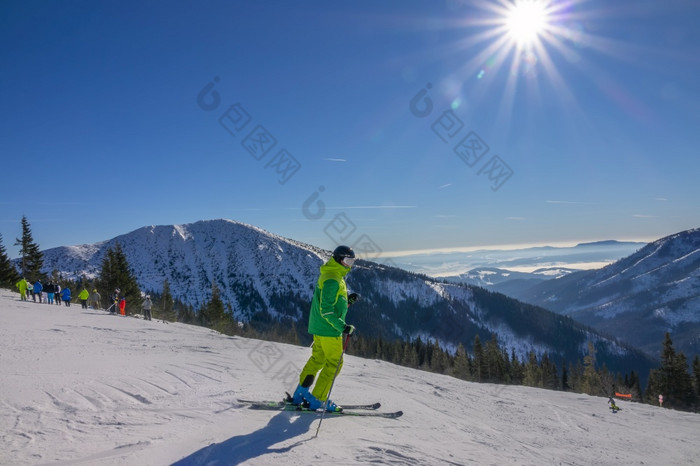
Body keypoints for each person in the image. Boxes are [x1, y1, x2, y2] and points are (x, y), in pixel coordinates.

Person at [291, 245, 359, 412]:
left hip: (320, 327)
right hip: (329, 330)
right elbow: (327, 310)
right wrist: (342, 327)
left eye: (353, 261)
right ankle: (318, 399)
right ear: (339, 259)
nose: (350, 264)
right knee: (334, 363)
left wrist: (347, 302)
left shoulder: (333, 274)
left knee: (318, 360)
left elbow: (332, 304)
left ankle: (300, 394)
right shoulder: (332, 279)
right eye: (348, 260)